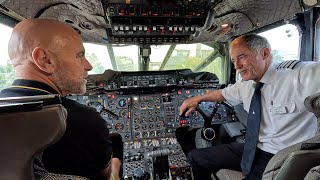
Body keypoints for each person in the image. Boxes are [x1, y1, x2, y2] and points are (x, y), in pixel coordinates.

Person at [179, 34, 320, 179]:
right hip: (252, 149)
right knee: (195, 157)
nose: (237, 66)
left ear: (264, 53)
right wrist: (198, 98)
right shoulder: (245, 84)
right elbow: (223, 93)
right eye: (234, 60)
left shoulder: (299, 75)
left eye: (242, 57)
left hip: (283, 159)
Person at [0, 19, 121, 180]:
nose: (89, 65)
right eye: (80, 56)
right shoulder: (86, 120)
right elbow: (106, 176)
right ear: (45, 60)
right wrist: (115, 163)